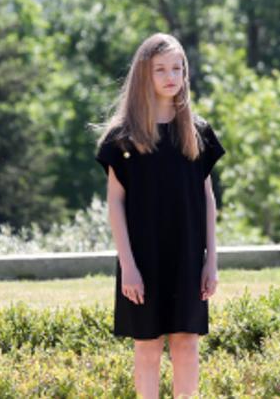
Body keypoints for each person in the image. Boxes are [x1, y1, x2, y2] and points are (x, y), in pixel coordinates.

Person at [96, 33, 224, 398]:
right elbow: (115, 203)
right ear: (144, 75)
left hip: (186, 256)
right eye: (161, 69)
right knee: (148, 347)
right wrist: (128, 265)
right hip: (142, 258)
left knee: (186, 344)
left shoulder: (197, 132)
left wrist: (211, 261)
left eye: (177, 68)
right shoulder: (123, 138)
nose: (171, 76)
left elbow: (207, 198)